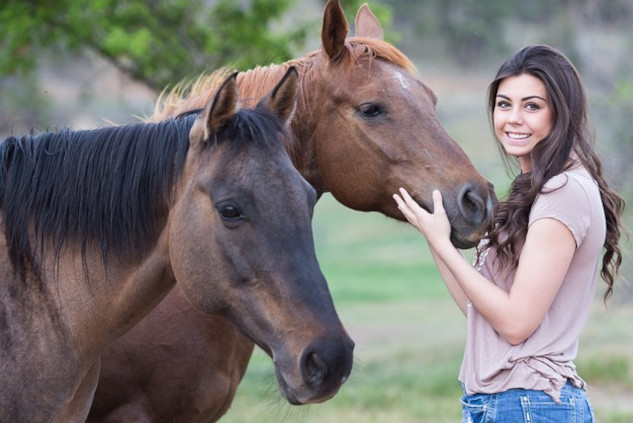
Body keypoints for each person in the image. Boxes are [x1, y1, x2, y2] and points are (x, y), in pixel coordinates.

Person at [393, 44, 625, 422]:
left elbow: (516, 324)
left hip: (529, 403)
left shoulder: (563, 191)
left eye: (532, 106)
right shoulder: (536, 188)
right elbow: (478, 311)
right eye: (504, 105)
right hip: (503, 403)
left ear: (560, 113)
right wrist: (434, 237)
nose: (513, 118)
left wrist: (441, 243)